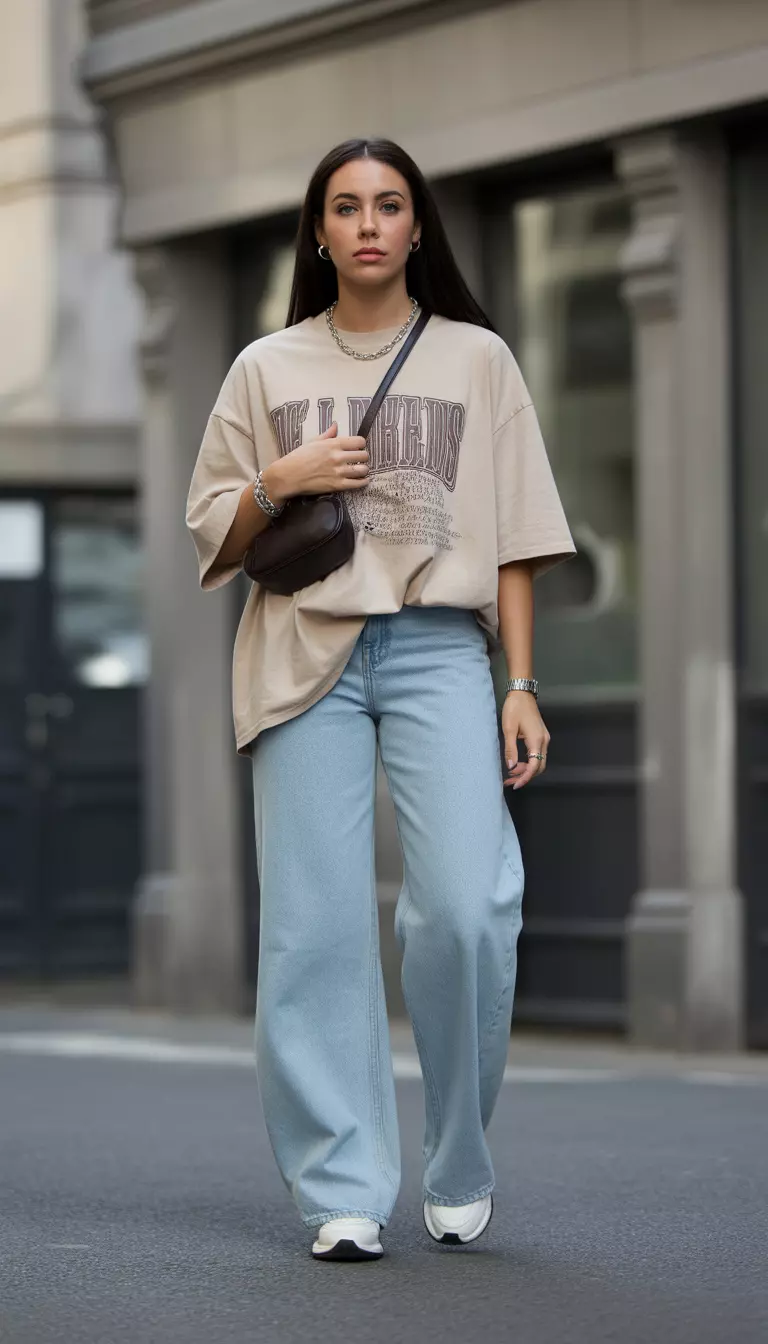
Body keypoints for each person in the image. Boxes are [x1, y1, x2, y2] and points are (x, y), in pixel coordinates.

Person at [186, 137, 575, 1262]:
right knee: (313, 933)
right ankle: (343, 1188)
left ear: (416, 228)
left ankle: (459, 1156)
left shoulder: (477, 358)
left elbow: (517, 540)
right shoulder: (266, 367)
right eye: (345, 207)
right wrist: (281, 479)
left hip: (439, 650)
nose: (367, 224)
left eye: (388, 205)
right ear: (320, 231)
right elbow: (213, 525)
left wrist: (521, 685)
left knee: (466, 908)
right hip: (300, 649)